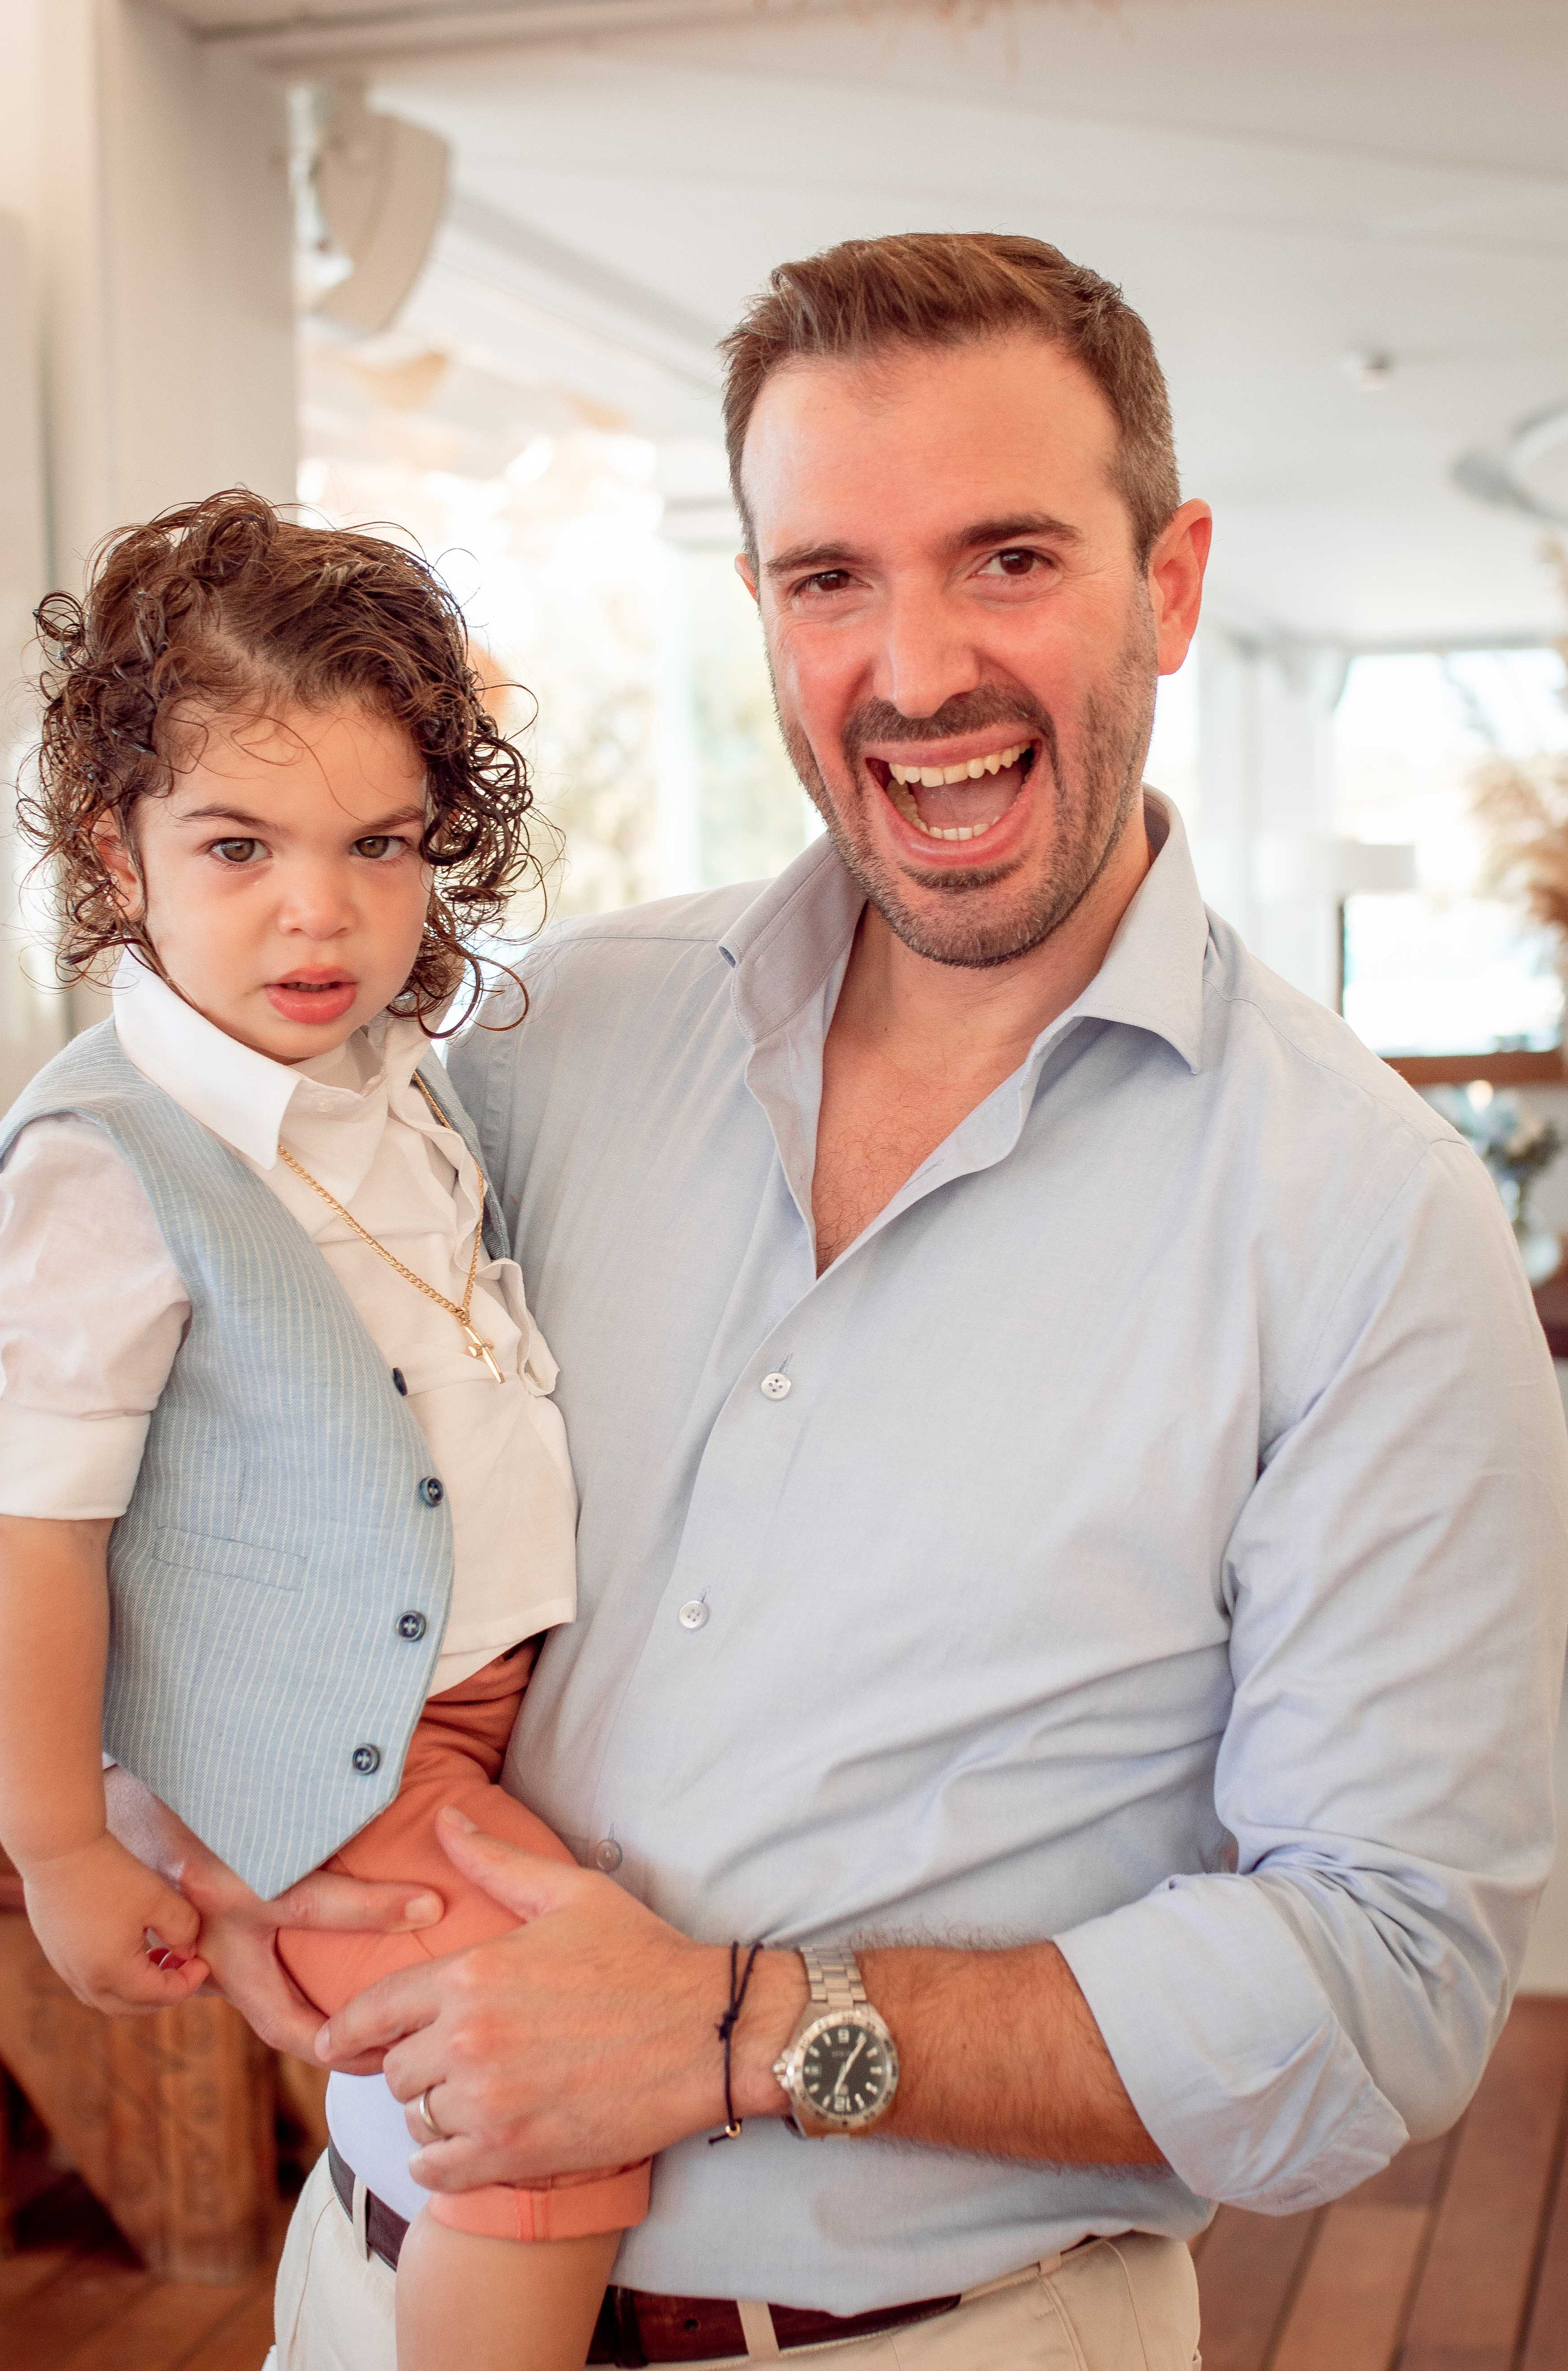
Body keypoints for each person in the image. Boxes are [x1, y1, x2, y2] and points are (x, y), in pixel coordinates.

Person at [124, 234, 1566, 2371]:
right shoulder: (538, 1045)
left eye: (1006, 559)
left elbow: (1389, 1980)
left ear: (1168, 585)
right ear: (764, 615)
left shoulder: (1369, 1222)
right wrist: (196, 1808)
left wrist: (742, 2031)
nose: (915, 673)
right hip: (368, 2289)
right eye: (830, 579)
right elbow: (267, 1445)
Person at [0, 496, 653, 2371]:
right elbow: (40, 1543)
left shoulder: (396, 1092)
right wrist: (73, 1849)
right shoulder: (97, 1174)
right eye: (238, 846)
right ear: (121, 851)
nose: (318, 909)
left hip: (503, 1707)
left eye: (381, 844)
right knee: (534, 2133)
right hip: (351, 1755)